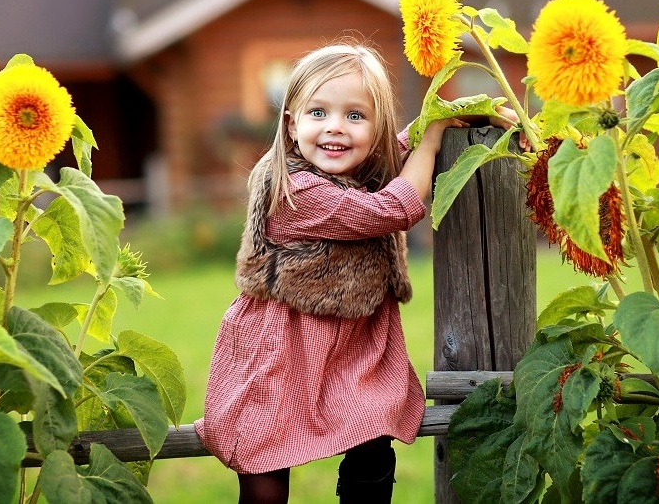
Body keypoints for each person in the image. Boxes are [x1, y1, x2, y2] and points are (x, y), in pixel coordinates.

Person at [195, 40, 512, 503]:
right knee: (264, 466)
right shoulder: (296, 190)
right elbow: (393, 207)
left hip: (349, 348)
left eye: (355, 116)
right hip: (281, 348)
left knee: (373, 440)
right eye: (318, 113)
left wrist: (455, 115)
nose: (335, 129)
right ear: (290, 124)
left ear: (376, 128)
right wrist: (432, 139)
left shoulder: (351, 171)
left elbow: (392, 157)